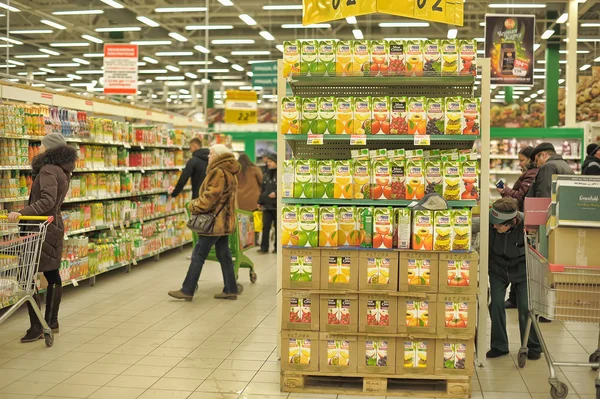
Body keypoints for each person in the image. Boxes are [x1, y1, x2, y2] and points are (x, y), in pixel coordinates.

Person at [7, 133, 77, 342]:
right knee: (52, 274)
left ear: (50, 148)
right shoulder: (63, 170)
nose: (39, 147)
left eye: (42, 145)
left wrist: (22, 212)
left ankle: (37, 326)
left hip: (40, 228)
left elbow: (47, 201)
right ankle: (51, 321)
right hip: (53, 226)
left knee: (26, 276)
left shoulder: (47, 170)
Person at [168, 144, 240, 301]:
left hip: (213, 222)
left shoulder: (218, 172)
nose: (208, 156)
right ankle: (230, 289)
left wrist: (193, 205)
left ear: (219, 156)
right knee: (224, 255)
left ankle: (187, 290)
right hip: (224, 221)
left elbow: (209, 198)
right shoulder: (229, 171)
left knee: (198, 254)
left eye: (211, 153)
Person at [487, 198, 542, 360]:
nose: (494, 226)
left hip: (522, 269)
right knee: (495, 303)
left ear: (512, 222)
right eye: (493, 222)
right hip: (497, 268)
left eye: (499, 224)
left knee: (525, 307)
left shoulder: (528, 223)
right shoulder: (488, 221)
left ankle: (533, 346)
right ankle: (499, 346)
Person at [497, 146, 538, 309]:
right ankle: (514, 297)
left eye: (522, 160)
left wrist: (504, 190)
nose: (520, 164)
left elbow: (520, 197)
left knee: (519, 259)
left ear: (530, 159)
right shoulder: (529, 173)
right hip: (521, 218)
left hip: (523, 219)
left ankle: (516, 298)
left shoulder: (532, 173)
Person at [257, 153, 277, 254]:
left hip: (277, 206)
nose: (268, 163)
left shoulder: (281, 174)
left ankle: (277, 248)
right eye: (268, 161)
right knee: (265, 227)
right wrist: (259, 202)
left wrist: (277, 193)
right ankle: (264, 248)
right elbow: (262, 190)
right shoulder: (266, 175)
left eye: (271, 161)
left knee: (277, 228)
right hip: (267, 206)